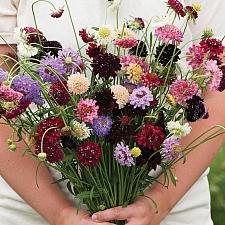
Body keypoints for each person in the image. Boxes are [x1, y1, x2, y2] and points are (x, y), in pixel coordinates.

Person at [0, 0, 224, 225]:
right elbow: (3, 96)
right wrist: (60, 214)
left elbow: (218, 91)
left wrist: (159, 203)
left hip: (172, 208)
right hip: (33, 207)